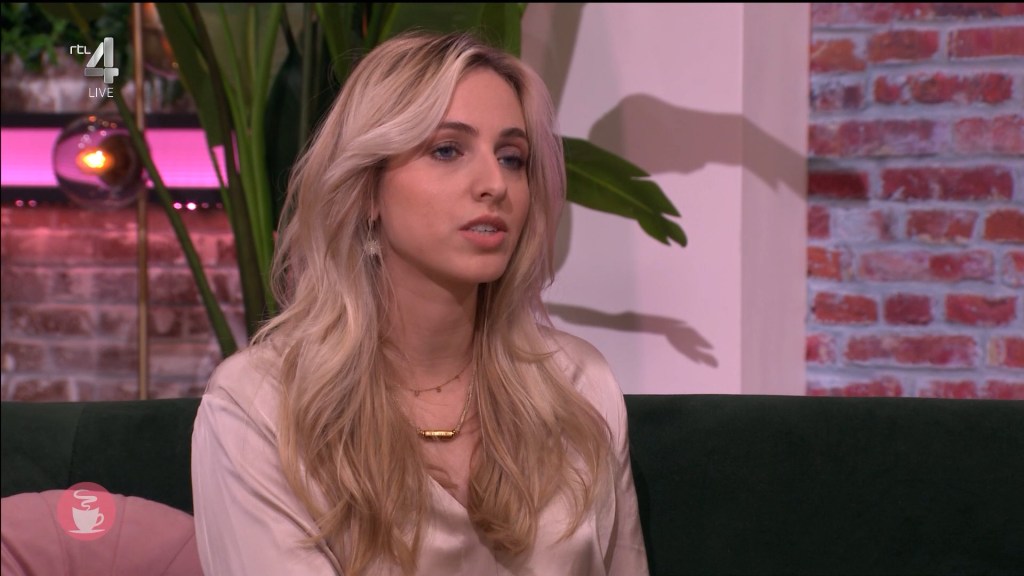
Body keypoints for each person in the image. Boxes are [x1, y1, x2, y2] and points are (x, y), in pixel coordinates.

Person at [190, 30, 649, 576]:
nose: (495, 184)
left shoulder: (577, 386)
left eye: (512, 158)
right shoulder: (260, 407)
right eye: (447, 150)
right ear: (367, 189)